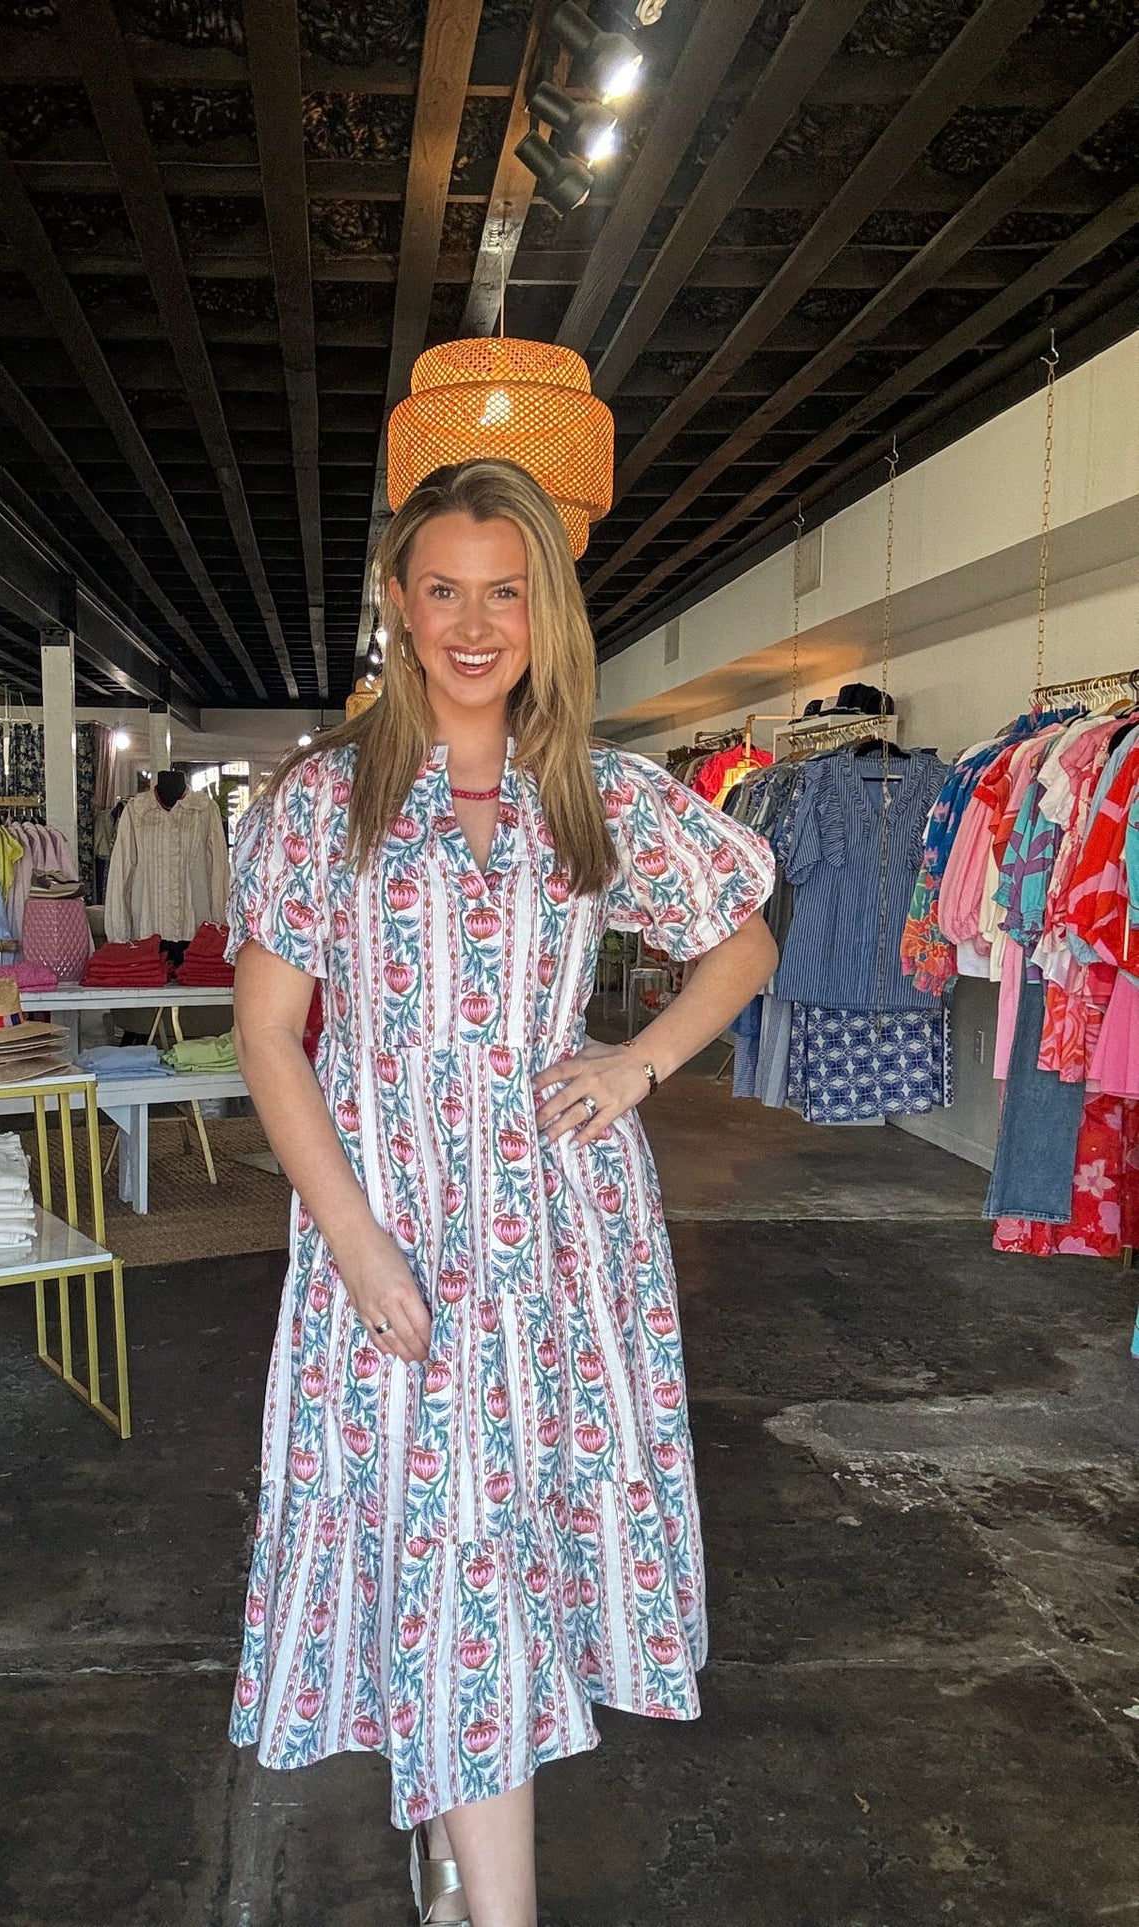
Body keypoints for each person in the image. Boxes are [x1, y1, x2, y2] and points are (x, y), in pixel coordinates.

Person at [223, 459, 777, 1926]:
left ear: (546, 609)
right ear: (399, 608)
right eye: (445, 590)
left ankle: (469, 1871)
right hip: (386, 1227)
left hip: (561, 1240)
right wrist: (349, 1242)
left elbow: (741, 944)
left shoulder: (596, 788)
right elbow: (268, 1033)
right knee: (447, 1548)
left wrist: (635, 1064)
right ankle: (489, 1895)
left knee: (505, 1554)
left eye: (505, 592)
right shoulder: (322, 800)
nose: (474, 624)